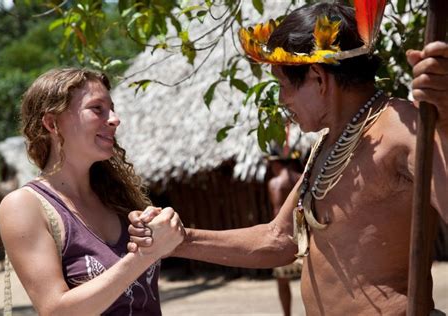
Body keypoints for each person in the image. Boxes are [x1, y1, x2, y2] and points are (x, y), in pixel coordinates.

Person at [128, 3, 448, 315]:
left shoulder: (405, 127)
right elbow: (279, 239)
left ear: (318, 78)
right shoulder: (329, 144)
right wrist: (180, 241)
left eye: (283, 85)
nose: (282, 100)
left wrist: (445, 125)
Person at [0, 68, 184, 315]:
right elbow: (55, 310)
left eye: (112, 108)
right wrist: (144, 256)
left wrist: (160, 228)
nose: (115, 119)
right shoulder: (25, 206)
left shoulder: (117, 198)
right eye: (97, 109)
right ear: (52, 123)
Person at [267, 147, 303, 316]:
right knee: (311, 278)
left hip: (285, 235)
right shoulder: (301, 179)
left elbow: (277, 212)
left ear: (276, 162)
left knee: (282, 280)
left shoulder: (275, 183)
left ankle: (287, 314)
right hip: (306, 234)